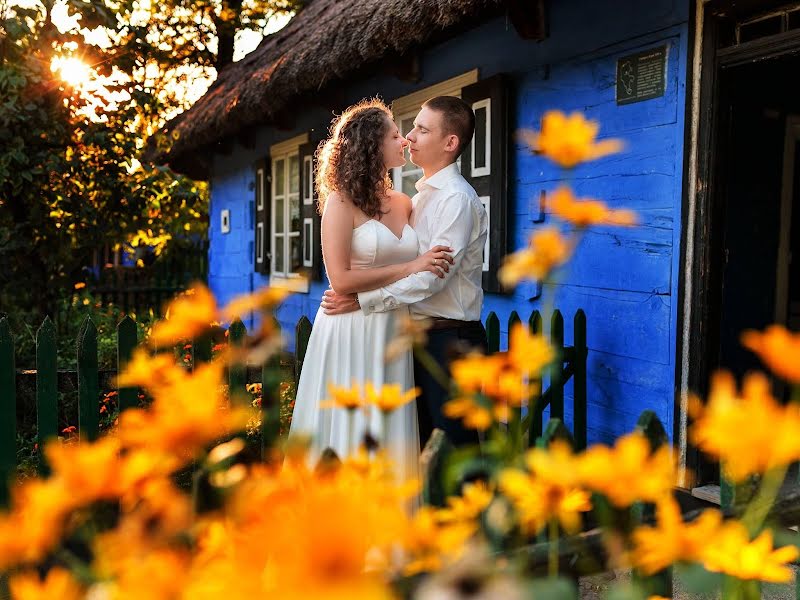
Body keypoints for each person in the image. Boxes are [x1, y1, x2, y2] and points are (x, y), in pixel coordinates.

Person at [288, 98, 454, 483]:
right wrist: (411, 266)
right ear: (371, 145)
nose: (404, 140)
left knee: (390, 426)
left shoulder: (405, 202)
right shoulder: (340, 204)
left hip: (393, 327)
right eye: (395, 134)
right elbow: (340, 280)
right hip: (350, 326)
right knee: (351, 426)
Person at [322, 96, 489, 448]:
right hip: (411, 338)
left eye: (420, 129)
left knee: (455, 452)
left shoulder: (456, 199)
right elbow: (398, 263)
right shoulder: (418, 198)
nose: (410, 137)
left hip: (451, 340)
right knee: (417, 448)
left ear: (450, 143)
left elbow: (432, 276)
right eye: (406, 129)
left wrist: (364, 301)